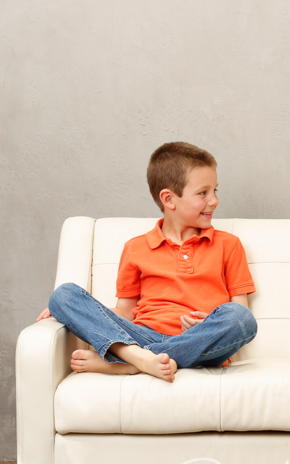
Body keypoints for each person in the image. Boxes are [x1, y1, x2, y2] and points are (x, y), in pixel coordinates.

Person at [36, 142, 257, 383]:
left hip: (200, 341)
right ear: (169, 199)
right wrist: (74, 309)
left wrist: (209, 321)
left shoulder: (229, 244)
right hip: (141, 335)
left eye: (215, 190)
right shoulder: (136, 247)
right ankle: (137, 356)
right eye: (203, 193)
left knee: (241, 318)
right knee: (63, 294)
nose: (214, 200)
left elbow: (240, 309)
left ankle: (130, 363)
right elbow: (125, 313)